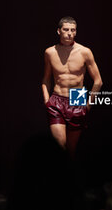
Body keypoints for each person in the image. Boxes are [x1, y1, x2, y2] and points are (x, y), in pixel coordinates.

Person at [42, 16, 103, 159]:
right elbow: (46, 78)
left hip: (77, 97)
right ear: (59, 31)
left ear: (76, 32)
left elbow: (98, 81)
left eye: (73, 30)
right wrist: (46, 100)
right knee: (59, 146)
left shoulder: (84, 52)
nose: (69, 33)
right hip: (56, 99)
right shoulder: (50, 52)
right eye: (66, 30)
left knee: (70, 151)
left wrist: (88, 105)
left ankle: (68, 179)